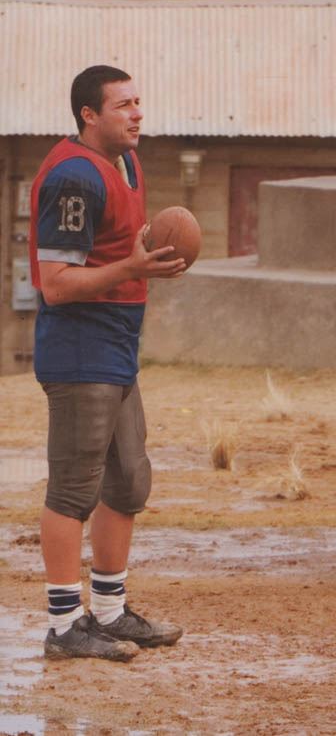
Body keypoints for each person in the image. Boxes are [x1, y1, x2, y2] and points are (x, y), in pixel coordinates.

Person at [30, 65, 186, 661]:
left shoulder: (127, 163)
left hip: (118, 344)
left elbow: (114, 249)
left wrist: (144, 256)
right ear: (89, 115)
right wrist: (133, 268)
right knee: (74, 489)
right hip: (79, 349)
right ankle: (65, 625)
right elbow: (56, 283)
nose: (137, 113)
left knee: (127, 481)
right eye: (123, 105)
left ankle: (112, 612)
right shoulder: (74, 177)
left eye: (138, 101)